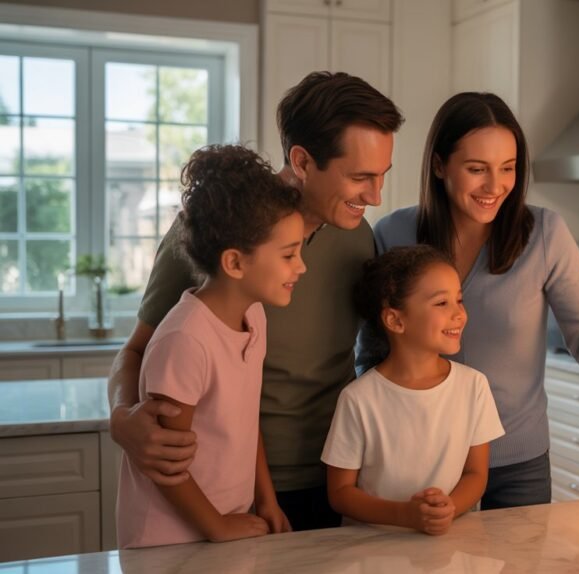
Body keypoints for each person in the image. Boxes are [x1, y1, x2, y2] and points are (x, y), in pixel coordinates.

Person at [108, 72, 404, 531]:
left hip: (339, 473)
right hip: (225, 486)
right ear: (302, 161)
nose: (375, 195)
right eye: (360, 177)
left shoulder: (359, 237)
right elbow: (137, 351)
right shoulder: (216, 234)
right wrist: (122, 417)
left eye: (383, 175)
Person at [361, 92, 579, 509]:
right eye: (477, 169)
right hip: (417, 458)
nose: (495, 186)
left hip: (515, 466)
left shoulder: (544, 233)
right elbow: (372, 355)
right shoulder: (392, 233)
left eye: (508, 168)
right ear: (439, 165)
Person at [117, 145, 306, 548]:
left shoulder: (255, 316)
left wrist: (266, 500)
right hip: (167, 541)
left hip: (223, 527)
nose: (301, 266)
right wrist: (216, 526)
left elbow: (245, 422)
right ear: (235, 263)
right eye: (289, 254)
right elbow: (167, 462)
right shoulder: (185, 339)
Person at [323, 245, 504, 534]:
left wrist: (448, 509)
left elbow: (476, 473)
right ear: (396, 320)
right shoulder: (358, 398)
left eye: (459, 300)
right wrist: (405, 515)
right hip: (375, 549)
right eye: (441, 303)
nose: (459, 314)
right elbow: (341, 493)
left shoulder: (474, 386)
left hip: (450, 544)